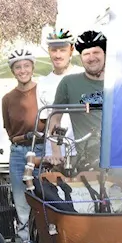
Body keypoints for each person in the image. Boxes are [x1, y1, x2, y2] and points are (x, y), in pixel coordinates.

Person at [47, 31, 107, 173]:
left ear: (105, 54)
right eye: (86, 54)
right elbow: (55, 118)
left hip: (119, 157)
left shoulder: (120, 82)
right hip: (87, 160)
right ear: (80, 57)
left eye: (96, 52)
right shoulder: (69, 83)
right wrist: (56, 151)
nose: (91, 58)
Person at [0, 49, 43, 228]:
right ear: (13, 71)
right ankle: (26, 239)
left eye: (26, 66)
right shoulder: (8, 98)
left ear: (32, 68)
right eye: (18, 67)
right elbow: (8, 128)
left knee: (43, 193)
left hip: (41, 148)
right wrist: (20, 138)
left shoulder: (42, 91)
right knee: (20, 197)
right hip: (19, 151)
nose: (22, 70)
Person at [36, 28, 76, 158]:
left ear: (71, 50)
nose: (58, 55)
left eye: (63, 50)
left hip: (82, 151)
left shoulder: (82, 76)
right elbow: (45, 121)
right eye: (54, 50)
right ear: (49, 51)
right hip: (53, 153)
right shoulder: (43, 83)